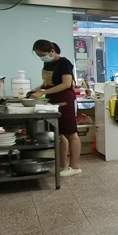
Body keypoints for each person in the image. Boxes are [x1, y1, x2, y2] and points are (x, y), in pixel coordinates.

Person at [27, 39, 81, 177]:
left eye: (42, 55)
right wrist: (40, 87)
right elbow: (49, 82)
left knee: (71, 133)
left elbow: (66, 84)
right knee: (59, 133)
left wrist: (43, 92)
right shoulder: (48, 63)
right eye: (39, 56)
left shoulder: (64, 63)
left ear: (52, 51)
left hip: (65, 100)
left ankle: (74, 166)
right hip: (53, 100)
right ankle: (62, 164)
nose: (41, 58)